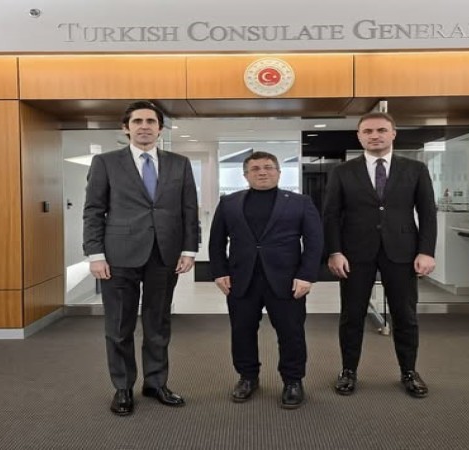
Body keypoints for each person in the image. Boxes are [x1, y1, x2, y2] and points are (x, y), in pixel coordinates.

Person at [83, 100, 199, 416]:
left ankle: (156, 383)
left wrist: (189, 249)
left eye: (151, 121)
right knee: (119, 325)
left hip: (165, 253)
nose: (144, 127)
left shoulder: (179, 164)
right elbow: (93, 210)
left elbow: (189, 209)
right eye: (138, 121)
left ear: (160, 129)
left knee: (158, 323)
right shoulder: (106, 162)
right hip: (118, 256)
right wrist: (95, 254)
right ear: (126, 128)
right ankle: (123, 387)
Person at [323, 111, 437, 398]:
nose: (375, 135)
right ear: (359, 136)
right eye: (368, 131)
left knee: (405, 316)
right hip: (354, 253)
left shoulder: (415, 169)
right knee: (352, 315)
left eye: (381, 130)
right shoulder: (342, 171)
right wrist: (334, 251)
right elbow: (331, 215)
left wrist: (426, 251)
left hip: (402, 251)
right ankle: (348, 371)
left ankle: (409, 371)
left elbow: (427, 213)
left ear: (393, 133)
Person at [209, 151, 323, 409]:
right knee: (242, 331)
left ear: (279, 172)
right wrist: (219, 272)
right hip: (241, 279)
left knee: (291, 332)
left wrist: (306, 275)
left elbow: (314, 241)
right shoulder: (229, 203)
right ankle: (247, 377)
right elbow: (216, 242)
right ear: (245, 175)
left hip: (287, 280)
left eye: (269, 167)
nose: (262, 172)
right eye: (256, 168)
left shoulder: (300, 202)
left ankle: (293, 381)